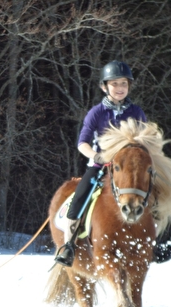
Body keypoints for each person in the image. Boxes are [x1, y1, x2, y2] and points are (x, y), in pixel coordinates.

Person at [55, 60, 147, 267]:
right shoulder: (96, 112)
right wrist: (97, 157)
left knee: (157, 191)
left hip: (129, 169)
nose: (120, 88)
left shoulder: (137, 112)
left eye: (123, 83)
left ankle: (160, 241)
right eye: (114, 84)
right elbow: (82, 143)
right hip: (100, 167)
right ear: (104, 86)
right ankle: (68, 246)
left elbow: (144, 140)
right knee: (79, 198)